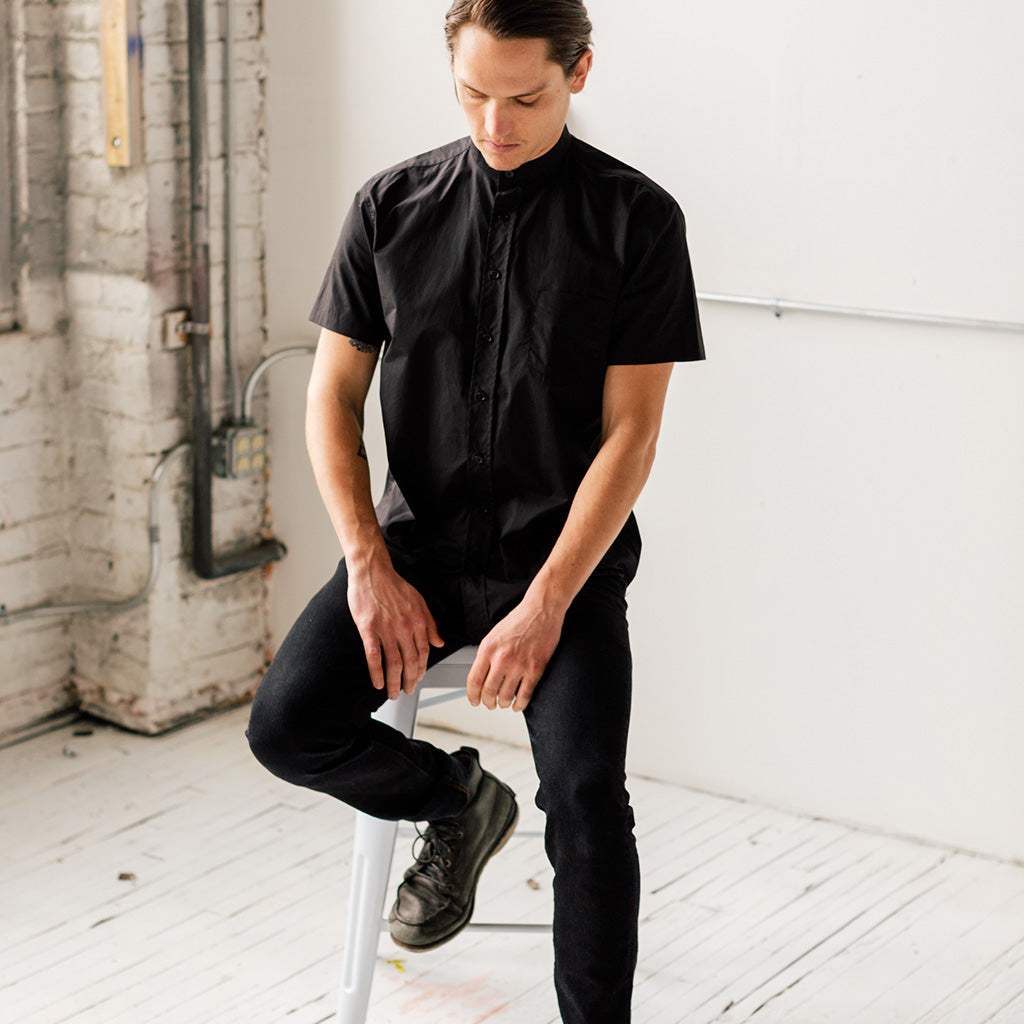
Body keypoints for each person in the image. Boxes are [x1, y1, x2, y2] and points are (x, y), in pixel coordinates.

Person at [247, 2, 704, 1020]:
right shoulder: (388, 206)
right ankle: (455, 800)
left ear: (579, 72)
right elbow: (330, 398)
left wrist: (546, 605)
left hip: (562, 566)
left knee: (587, 800)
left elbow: (631, 437)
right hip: (415, 552)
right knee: (285, 725)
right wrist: (367, 563)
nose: (495, 123)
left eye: (525, 98)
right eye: (471, 95)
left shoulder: (638, 220)